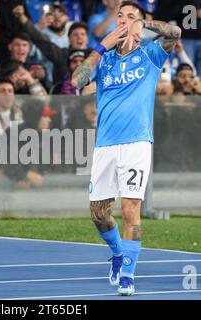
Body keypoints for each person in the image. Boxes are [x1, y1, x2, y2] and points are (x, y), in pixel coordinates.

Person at [71, 0, 181, 296]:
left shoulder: (149, 55)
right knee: (99, 214)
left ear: (140, 25)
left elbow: (175, 32)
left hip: (136, 144)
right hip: (105, 145)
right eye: (120, 16)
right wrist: (101, 46)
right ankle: (118, 253)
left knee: (131, 211)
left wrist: (144, 24)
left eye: (130, 17)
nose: (123, 21)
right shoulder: (104, 59)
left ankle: (128, 275)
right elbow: (76, 80)